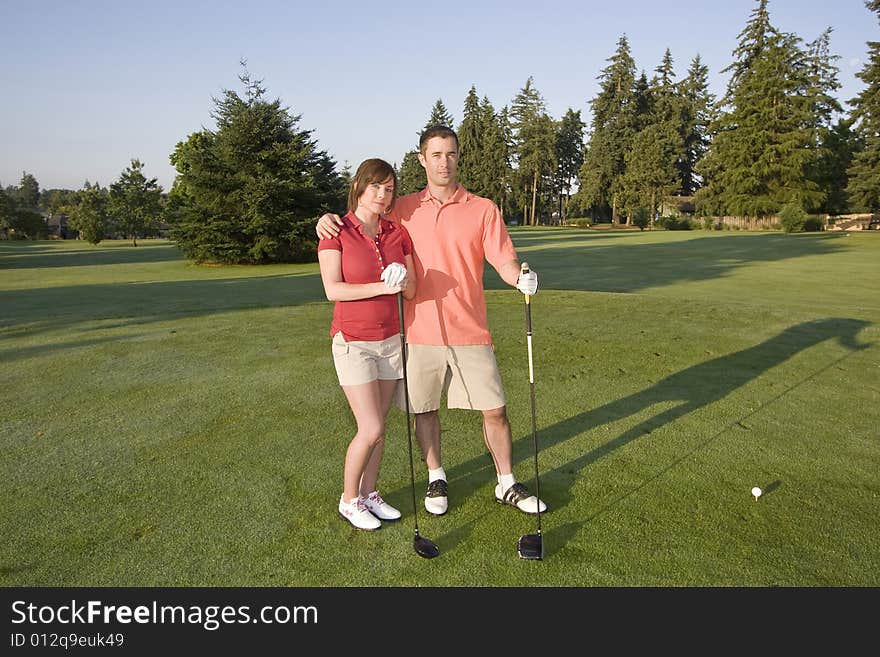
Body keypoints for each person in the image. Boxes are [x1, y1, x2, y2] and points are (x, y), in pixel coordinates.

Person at [316, 126, 546, 517]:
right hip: (418, 331)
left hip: (470, 327)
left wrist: (518, 276)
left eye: (451, 154)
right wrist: (327, 220)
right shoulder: (401, 207)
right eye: (436, 155)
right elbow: (362, 215)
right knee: (424, 410)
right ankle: (435, 475)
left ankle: (506, 482)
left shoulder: (483, 208)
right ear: (422, 159)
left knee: (495, 410)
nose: (444, 162)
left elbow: (503, 258)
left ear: (458, 157)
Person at [317, 158, 416, 530]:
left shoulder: (395, 232)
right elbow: (333, 289)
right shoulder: (336, 231)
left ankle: (370, 494)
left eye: (389, 188)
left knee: (381, 426)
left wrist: (403, 278)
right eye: (376, 186)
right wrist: (383, 286)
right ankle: (349, 499)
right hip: (353, 342)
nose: (382, 194)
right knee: (370, 428)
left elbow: (412, 289)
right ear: (359, 186)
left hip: (390, 339)